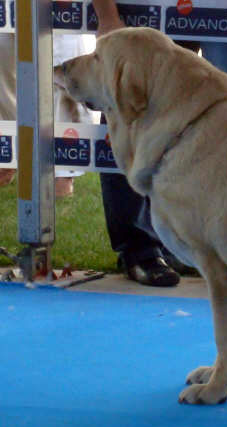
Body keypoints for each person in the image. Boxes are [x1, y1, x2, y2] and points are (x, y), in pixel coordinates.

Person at [92, 0, 187, 287]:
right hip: (132, 13)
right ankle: (139, 250)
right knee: (125, 115)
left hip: (189, 15)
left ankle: (172, 245)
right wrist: (107, 16)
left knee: (182, 126)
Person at [0, 33, 91, 197]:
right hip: (10, 9)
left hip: (56, 14)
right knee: (3, 57)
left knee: (62, 75)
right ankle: (10, 153)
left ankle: (64, 171)